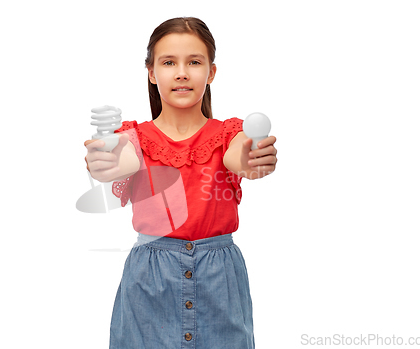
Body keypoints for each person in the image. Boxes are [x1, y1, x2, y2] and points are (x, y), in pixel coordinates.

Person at [84, 17, 277, 349]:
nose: (182, 72)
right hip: (149, 281)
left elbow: (237, 156)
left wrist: (250, 159)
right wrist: (108, 164)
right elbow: (124, 158)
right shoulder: (133, 137)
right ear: (151, 72)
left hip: (219, 280)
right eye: (169, 62)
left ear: (211, 72)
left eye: (195, 62)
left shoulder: (230, 133)